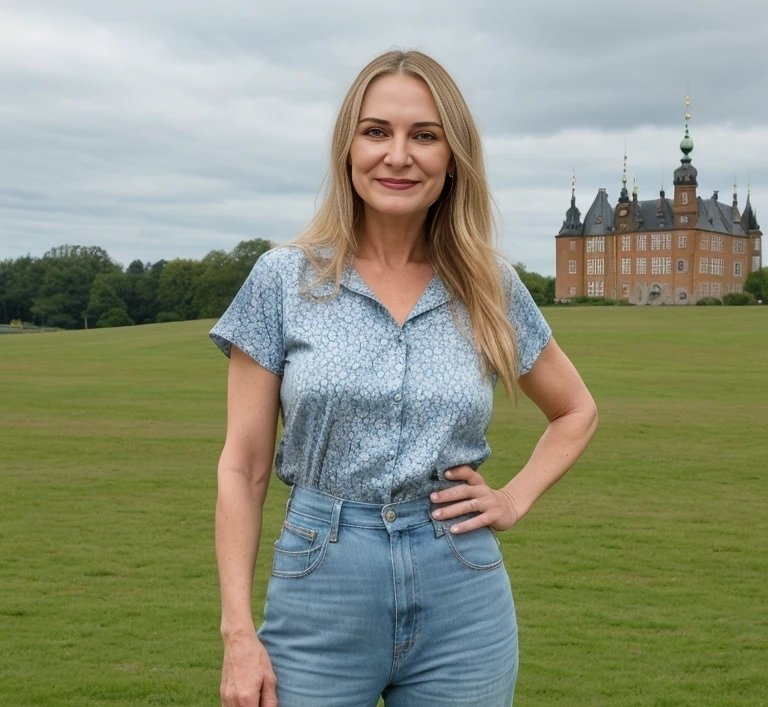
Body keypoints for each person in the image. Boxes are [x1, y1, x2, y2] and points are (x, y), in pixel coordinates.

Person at [210, 49, 597, 707]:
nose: (398, 155)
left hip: (462, 592)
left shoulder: (488, 286)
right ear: (348, 149)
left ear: (453, 157)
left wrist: (513, 498)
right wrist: (238, 633)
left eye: (424, 135)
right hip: (322, 582)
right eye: (376, 132)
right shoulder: (283, 280)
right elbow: (243, 468)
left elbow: (576, 410)